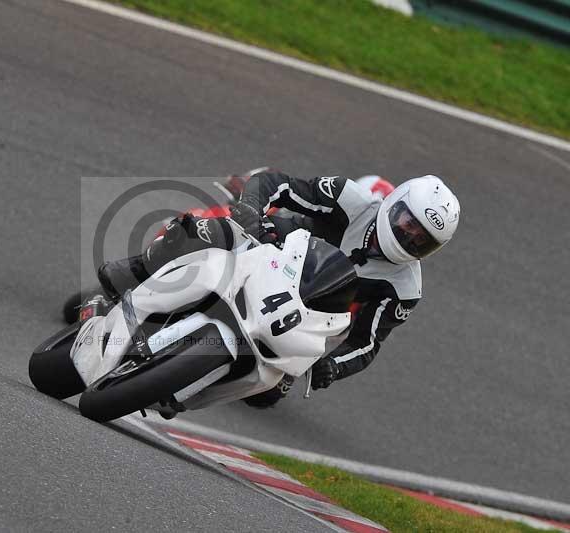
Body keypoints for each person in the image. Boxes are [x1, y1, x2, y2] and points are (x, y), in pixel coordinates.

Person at [91, 170, 460, 407]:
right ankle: (139, 270)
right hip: (277, 249)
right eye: (408, 223)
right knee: (209, 231)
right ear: (395, 205)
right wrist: (251, 208)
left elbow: (367, 342)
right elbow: (276, 184)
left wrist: (331, 366)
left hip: (311, 312)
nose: (407, 236)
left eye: (420, 240)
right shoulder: (351, 198)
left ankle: (185, 392)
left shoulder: (405, 289)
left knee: (268, 394)